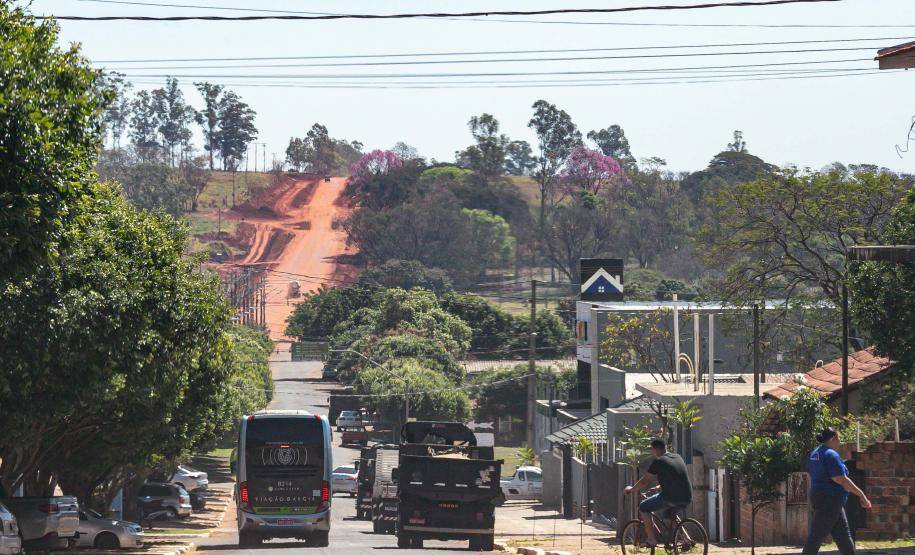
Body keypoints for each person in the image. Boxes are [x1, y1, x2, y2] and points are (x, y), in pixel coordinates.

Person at [802, 427, 871, 555]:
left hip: (821, 496)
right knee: (816, 536)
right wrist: (861, 495)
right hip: (830, 499)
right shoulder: (831, 454)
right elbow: (840, 479)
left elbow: (812, 472)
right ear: (834, 438)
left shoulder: (814, 453)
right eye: (839, 439)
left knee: (843, 536)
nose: (839, 443)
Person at [624, 438, 692, 546]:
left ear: (655, 450)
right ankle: (687, 539)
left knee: (643, 507)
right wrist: (659, 487)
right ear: (665, 447)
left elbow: (644, 481)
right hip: (687, 496)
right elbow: (677, 478)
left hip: (669, 497)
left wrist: (631, 489)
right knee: (669, 516)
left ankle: (651, 539)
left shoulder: (658, 461)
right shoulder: (678, 457)